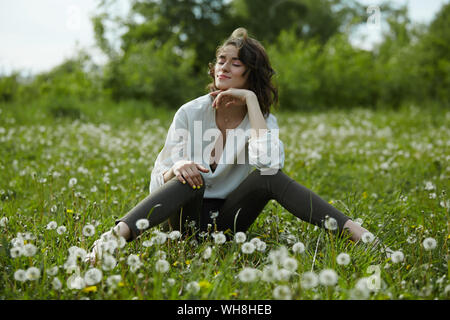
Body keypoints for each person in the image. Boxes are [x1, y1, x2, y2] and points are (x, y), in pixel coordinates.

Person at [85, 27, 372, 264]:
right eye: (222, 60)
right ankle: (111, 240)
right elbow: (159, 183)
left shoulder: (261, 119)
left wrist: (250, 102)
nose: (224, 66)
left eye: (236, 63)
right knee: (190, 176)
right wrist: (178, 167)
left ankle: (358, 234)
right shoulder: (190, 112)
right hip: (184, 219)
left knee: (266, 177)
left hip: (229, 221)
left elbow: (270, 166)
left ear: (251, 74)